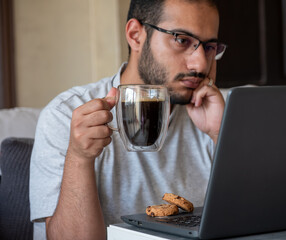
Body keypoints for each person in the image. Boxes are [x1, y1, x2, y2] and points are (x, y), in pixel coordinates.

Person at [29, 0, 227, 239]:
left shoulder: (215, 111)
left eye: (209, 47)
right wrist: (80, 159)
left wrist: (221, 135)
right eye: (181, 40)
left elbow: (260, 220)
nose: (200, 64)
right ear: (135, 35)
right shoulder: (66, 114)